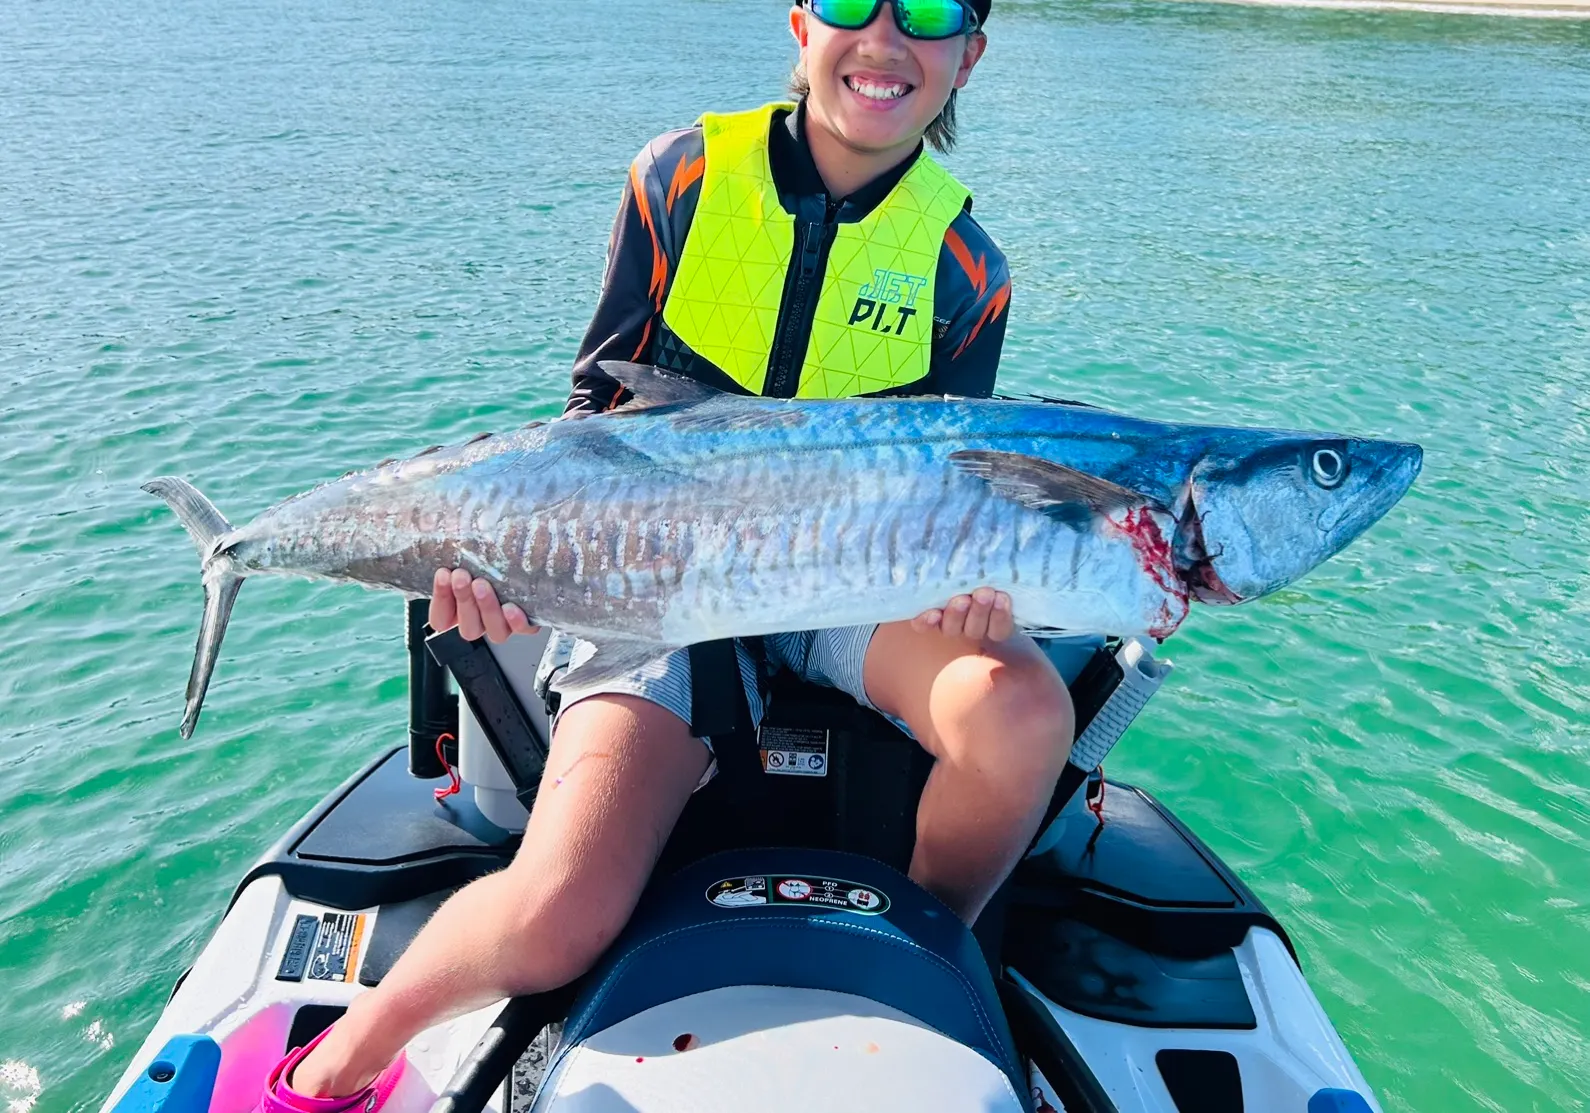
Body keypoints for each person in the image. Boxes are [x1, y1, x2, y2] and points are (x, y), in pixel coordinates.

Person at [263, 1, 1074, 1106]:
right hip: (654, 565)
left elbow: (955, 478)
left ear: (968, 56)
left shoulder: (968, 264)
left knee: (1020, 710)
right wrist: (520, 574)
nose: (886, 40)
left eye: (931, 10)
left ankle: (921, 952)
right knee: (558, 915)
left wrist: (977, 591)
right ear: (799, 23)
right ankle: (343, 1057)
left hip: (852, 577)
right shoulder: (680, 177)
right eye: (851, 2)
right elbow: (592, 417)